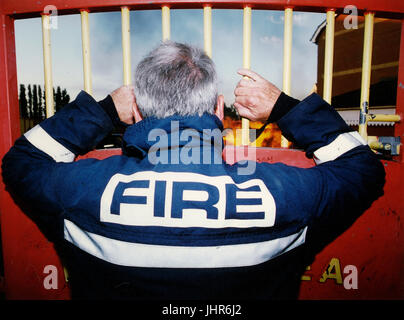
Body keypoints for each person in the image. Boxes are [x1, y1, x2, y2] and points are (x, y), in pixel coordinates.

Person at [1, 41, 385, 300]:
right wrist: (285, 108)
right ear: (219, 110)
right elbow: (363, 169)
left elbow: (22, 161)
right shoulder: (286, 196)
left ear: (136, 111)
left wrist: (100, 112)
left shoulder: (82, 190)